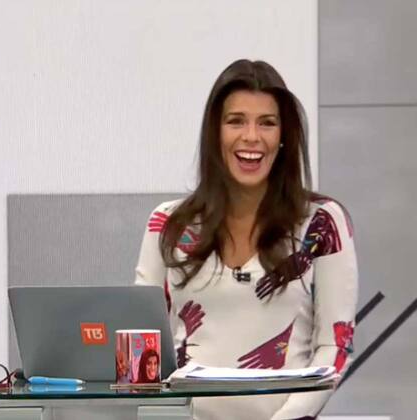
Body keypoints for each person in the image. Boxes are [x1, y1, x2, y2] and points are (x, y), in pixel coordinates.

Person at [135, 59, 357, 420]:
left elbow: (335, 346)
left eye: (266, 123)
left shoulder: (321, 223)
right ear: (215, 133)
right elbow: (142, 343)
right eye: (236, 121)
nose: (251, 137)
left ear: (283, 136)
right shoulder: (168, 223)